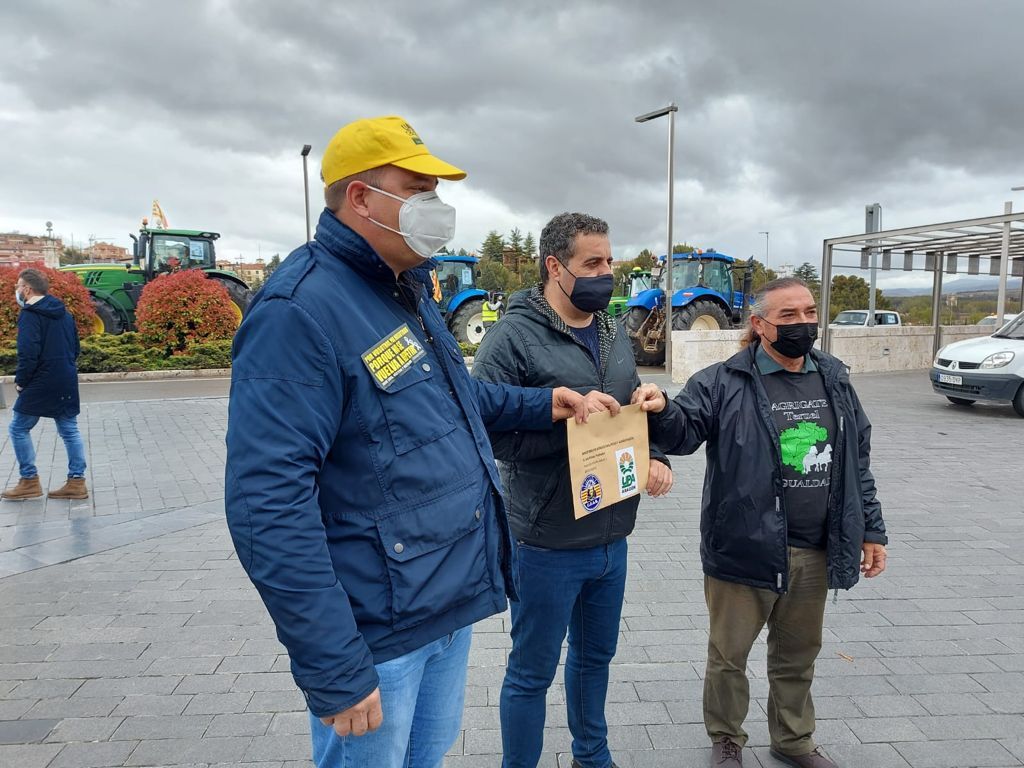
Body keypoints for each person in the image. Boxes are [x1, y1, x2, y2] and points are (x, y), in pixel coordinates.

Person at [224, 115, 616, 768]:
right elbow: (265, 505)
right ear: (360, 198)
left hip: (442, 607)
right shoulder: (301, 311)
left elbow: (454, 399)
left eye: (437, 190)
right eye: (418, 189)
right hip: (377, 636)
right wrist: (333, 665)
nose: (435, 207)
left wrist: (546, 403)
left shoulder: (405, 289)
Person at [633, 277, 887, 768]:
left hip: (815, 548)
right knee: (729, 657)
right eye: (788, 315)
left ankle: (793, 741)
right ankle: (726, 739)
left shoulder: (834, 376)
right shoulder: (722, 380)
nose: (802, 323)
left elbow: (858, 460)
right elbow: (684, 432)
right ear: (759, 325)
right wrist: (663, 407)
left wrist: (871, 529)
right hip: (744, 546)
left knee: (797, 656)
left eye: (809, 311)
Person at [472, 212, 674, 768]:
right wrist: (566, 428)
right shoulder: (511, 338)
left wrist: (652, 451)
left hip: (612, 534)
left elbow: (628, 407)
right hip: (546, 540)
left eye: (609, 261)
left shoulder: (612, 331)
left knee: (594, 661)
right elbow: (487, 432)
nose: (605, 274)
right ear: (554, 267)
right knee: (531, 672)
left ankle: (593, 756)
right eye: (593, 263)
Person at [2, 268, 88, 501]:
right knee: (69, 430)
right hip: (65, 377)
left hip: (40, 379)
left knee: (18, 428)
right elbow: (76, 348)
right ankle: (77, 482)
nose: (17, 291)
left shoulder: (30, 314)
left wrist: (21, 381)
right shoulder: (64, 313)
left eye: (19, 286)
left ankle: (29, 480)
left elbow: (28, 353)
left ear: (27, 289)